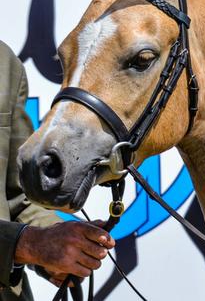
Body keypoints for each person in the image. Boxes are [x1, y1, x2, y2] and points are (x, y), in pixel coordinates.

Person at [0, 40, 115, 301]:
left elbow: (17, 198)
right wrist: (26, 244)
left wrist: (59, 251)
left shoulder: (4, 63)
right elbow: (26, 241)